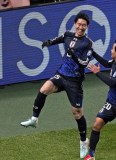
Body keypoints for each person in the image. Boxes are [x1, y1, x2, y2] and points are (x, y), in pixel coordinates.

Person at [20, 12, 93, 159]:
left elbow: (85, 62)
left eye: (83, 25)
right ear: (75, 24)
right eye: (79, 24)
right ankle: (34, 119)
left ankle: (84, 141)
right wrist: (49, 42)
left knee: (77, 113)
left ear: (87, 27)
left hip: (74, 81)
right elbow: (60, 39)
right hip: (61, 74)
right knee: (43, 89)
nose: (80, 27)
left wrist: (75, 56)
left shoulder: (87, 43)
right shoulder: (68, 34)